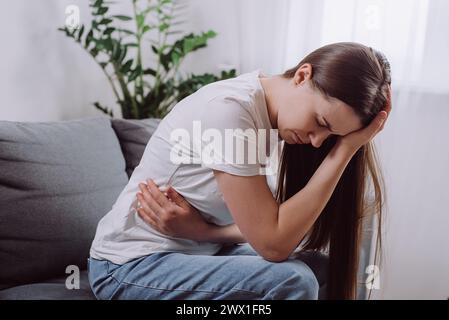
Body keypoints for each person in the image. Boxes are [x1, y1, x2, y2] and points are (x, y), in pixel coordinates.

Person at [88, 42, 392, 300]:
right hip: (127, 265)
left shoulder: (272, 120)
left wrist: (203, 232)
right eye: (322, 124)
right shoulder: (231, 110)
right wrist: (344, 151)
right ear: (302, 75)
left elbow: (271, 228)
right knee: (294, 281)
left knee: (320, 268)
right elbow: (273, 244)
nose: (317, 142)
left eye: (332, 138)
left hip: (198, 251)